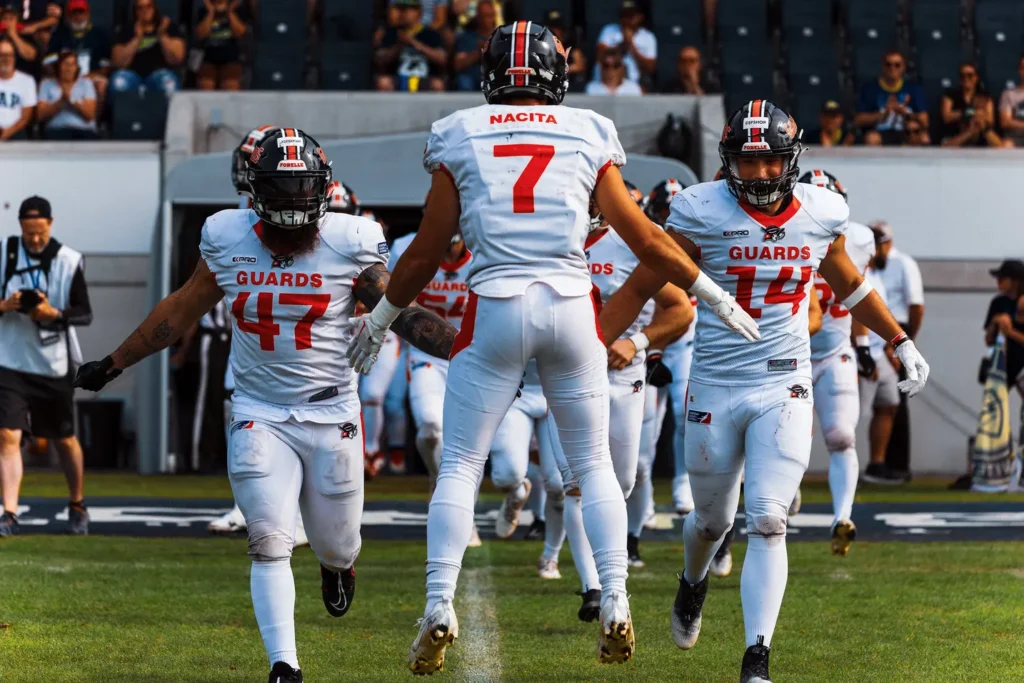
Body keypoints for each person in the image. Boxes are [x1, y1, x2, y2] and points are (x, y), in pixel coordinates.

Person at [347, 21, 758, 674]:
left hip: (496, 307)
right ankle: (617, 598)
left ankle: (437, 604)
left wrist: (378, 321)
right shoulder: (589, 131)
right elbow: (649, 239)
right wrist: (713, 293)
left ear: (490, 75)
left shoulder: (460, 131)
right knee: (593, 465)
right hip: (571, 307)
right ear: (556, 75)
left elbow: (426, 251)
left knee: (458, 465)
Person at [73, 128, 457, 683]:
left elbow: (405, 312)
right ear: (254, 194)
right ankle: (285, 665)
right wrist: (115, 362)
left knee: (337, 543)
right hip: (260, 409)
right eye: (284, 199)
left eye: (303, 197)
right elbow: (180, 309)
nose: (294, 215)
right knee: (269, 538)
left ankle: (337, 567)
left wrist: (466, 354)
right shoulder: (227, 237)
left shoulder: (351, 241)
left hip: (332, 412)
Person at [599, 99, 930, 682]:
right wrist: (593, 344)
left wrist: (899, 339)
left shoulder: (819, 213)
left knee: (770, 519)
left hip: (785, 379)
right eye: (746, 163)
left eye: (769, 162)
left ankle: (757, 658)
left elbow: (849, 286)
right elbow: (643, 281)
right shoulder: (699, 211)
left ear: (791, 161)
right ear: (728, 162)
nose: (756, 175)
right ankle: (692, 581)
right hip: (716, 382)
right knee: (710, 521)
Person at [0, 196, 93, 537]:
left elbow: (85, 312)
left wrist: (53, 314)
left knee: (64, 438)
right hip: (9, 358)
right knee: (7, 434)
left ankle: (77, 502)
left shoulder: (69, 261)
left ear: (50, 224)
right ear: (20, 227)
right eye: (28, 233)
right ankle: (9, 512)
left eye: (40, 233)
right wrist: (6, 305)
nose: (35, 240)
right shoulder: (5, 253)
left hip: (53, 363)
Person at [800, 169, 876, 556]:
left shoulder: (860, 240)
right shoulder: (781, 234)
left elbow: (857, 293)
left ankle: (841, 517)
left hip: (834, 351)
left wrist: (862, 345)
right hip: (789, 354)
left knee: (841, 436)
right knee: (785, 444)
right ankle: (786, 491)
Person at [864, 220, 925, 484]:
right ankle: (882, 462)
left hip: (896, 328)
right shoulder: (871, 269)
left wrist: (905, 341)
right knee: (887, 401)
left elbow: (916, 306)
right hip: (877, 328)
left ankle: (898, 463)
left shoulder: (904, 263)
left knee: (898, 399)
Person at [110, 0, 186, 96]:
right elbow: (118, 63)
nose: (145, 10)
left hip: (161, 73)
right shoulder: (126, 30)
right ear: (135, 11)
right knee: (119, 82)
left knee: (169, 84)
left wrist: (162, 36)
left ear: (154, 8)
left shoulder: (168, 27)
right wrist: (137, 38)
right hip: (131, 75)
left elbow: (177, 58)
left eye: (148, 6)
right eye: (140, 8)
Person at [854, 50, 928, 146]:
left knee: (923, 137)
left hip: (906, 132)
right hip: (879, 133)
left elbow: (925, 121)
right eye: (888, 65)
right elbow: (858, 120)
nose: (892, 68)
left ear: (903, 68)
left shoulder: (913, 89)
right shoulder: (870, 88)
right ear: (882, 67)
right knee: (871, 138)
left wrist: (905, 114)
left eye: (897, 65)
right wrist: (883, 114)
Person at [44, 0, 111, 103]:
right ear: (67, 16)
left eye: (81, 12)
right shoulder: (59, 34)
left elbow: (105, 67)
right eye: (74, 13)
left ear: (88, 14)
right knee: (45, 82)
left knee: (102, 83)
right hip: (63, 77)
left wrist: (87, 77)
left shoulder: (99, 35)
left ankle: (94, 119)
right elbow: (48, 63)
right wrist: (62, 78)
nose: (78, 16)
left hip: (90, 77)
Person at [374, 0, 446, 92]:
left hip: (424, 77)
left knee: (437, 84)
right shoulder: (392, 32)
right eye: (403, 10)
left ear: (419, 12)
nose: (406, 13)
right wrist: (399, 45)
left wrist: (416, 44)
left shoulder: (430, 34)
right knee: (383, 82)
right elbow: (380, 60)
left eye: (410, 9)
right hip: (398, 77)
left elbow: (442, 60)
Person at [940, 62, 1010, 148]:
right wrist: (970, 113)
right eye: (962, 75)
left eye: (970, 75)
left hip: (980, 133)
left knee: (1001, 142)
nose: (966, 78)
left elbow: (990, 119)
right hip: (955, 133)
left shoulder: (984, 97)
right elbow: (947, 116)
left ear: (976, 77)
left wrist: (978, 118)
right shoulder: (950, 95)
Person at [36, 49, 97, 139]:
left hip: (84, 130)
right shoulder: (47, 84)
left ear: (77, 67)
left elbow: (90, 115)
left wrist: (71, 100)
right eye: (65, 64)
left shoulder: (86, 83)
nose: (69, 68)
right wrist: (60, 103)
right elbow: (40, 115)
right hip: (56, 130)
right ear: (58, 66)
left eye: (72, 64)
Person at [594, 0, 655, 86]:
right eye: (623, 15)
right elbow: (599, 56)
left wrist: (632, 46)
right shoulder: (609, 30)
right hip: (603, 84)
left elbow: (650, 68)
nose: (626, 19)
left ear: (640, 17)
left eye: (630, 16)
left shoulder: (648, 37)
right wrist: (624, 44)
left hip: (632, 85)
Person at [193, 0, 250, 91]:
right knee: (206, 84)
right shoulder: (203, 11)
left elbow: (240, 33)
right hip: (208, 56)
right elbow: (201, 34)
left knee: (231, 83)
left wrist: (230, 12)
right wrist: (211, 13)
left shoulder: (237, 11)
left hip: (231, 56)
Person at [451, 0, 497, 91]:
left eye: (491, 15)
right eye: (485, 16)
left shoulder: (500, 37)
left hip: (492, 79)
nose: (489, 19)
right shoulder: (467, 37)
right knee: (463, 81)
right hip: (471, 79)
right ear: (478, 17)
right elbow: (457, 65)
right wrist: (478, 52)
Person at [0, 36, 36, 140]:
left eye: (9, 55)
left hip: (16, 132)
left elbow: (26, 117)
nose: (6, 59)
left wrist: (8, 132)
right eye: (2, 55)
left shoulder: (27, 81)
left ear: (14, 57)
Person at [998, 55, 1024, 147]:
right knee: (1005, 146)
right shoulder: (1009, 94)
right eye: (1023, 68)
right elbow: (1005, 122)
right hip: (1016, 137)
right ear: (1020, 71)